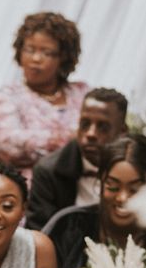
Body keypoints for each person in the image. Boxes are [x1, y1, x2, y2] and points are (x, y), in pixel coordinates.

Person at [43, 134, 146, 268]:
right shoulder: (68, 226)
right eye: (113, 186)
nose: (122, 198)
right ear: (100, 182)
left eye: (134, 189)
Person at [0, 12, 89, 181]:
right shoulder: (8, 95)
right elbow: (6, 144)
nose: (35, 58)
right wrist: (68, 140)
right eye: (29, 49)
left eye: (46, 52)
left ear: (63, 57)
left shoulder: (81, 93)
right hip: (24, 189)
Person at [26, 87, 128, 230]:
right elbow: (39, 235)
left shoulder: (134, 169)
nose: (91, 134)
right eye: (85, 124)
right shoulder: (48, 171)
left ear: (122, 132)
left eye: (102, 127)